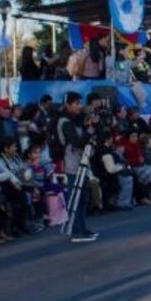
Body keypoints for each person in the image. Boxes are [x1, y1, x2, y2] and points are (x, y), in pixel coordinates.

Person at [57, 92, 97, 242]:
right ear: (68, 105)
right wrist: (89, 132)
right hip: (73, 164)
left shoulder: (75, 120)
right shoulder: (65, 122)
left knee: (83, 198)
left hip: (82, 162)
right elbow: (77, 142)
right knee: (76, 198)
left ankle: (83, 228)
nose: (79, 106)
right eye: (76, 104)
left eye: (80, 103)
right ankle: (77, 230)